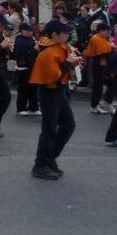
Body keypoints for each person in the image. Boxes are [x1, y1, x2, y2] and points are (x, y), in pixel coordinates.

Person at [29, 19, 81, 180]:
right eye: (64, 33)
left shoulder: (59, 46)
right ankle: (41, 165)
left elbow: (63, 68)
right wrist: (68, 63)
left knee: (68, 125)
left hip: (60, 91)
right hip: (50, 92)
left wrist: (73, 62)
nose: (68, 35)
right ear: (54, 35)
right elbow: (53, 76)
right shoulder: (47, 52)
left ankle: (49, 158)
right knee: (49, 130)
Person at [86, 22, 115, 115]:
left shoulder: (103, 38)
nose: (108, 33)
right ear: (101, 31)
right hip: (98, 63)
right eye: (107, 31)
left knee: (110, 83)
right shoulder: (96, 38)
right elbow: (104, 51)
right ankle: (94, 106)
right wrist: (111, 46)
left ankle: (106, 102)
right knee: (98, 85)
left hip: (105, 63)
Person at [14, 23, 40, 116]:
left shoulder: (30, 39)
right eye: (28, 30)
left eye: (30, 30)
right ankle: (21, 108)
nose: (30, 32)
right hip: (23, 67)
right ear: (22, 31)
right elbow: (22, 56)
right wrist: (34, 49)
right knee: (23, 89)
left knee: (34, 88)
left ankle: (33, 107)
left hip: (32, 66)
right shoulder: (20, 41)